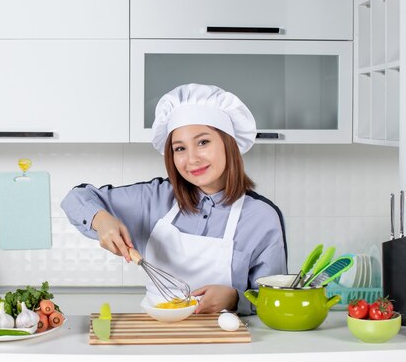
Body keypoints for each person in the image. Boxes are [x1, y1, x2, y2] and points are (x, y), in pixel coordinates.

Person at [60, 83, 287, 315]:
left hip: (228, 340)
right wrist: (101, 220)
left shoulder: (261, 217)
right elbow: (75, 198)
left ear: (229, 144)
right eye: (179, 149)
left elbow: (275, 301)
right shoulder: (153, 198)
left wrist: (234, 298)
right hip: (158, 335)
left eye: (203, 142)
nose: (192, 159)